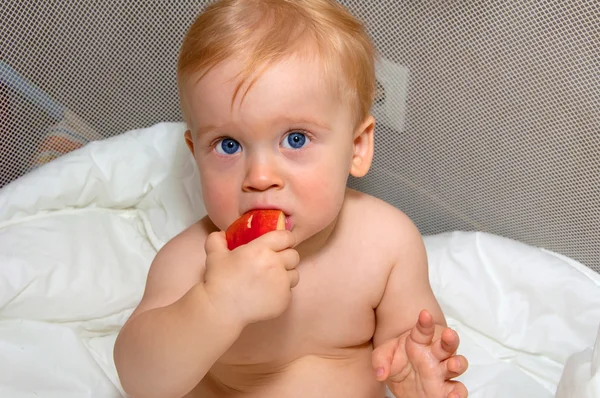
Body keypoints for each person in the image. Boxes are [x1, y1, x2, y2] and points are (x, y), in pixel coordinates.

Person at [113, 1, 469, 397]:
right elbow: (140, 382)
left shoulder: (388, 244)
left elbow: (410, 331)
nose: (260, 177)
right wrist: (215, 306)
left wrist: (417, 363)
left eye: (295, 139)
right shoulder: (194, 261)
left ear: (356, 147)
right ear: (195, 152)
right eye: (228, 145)